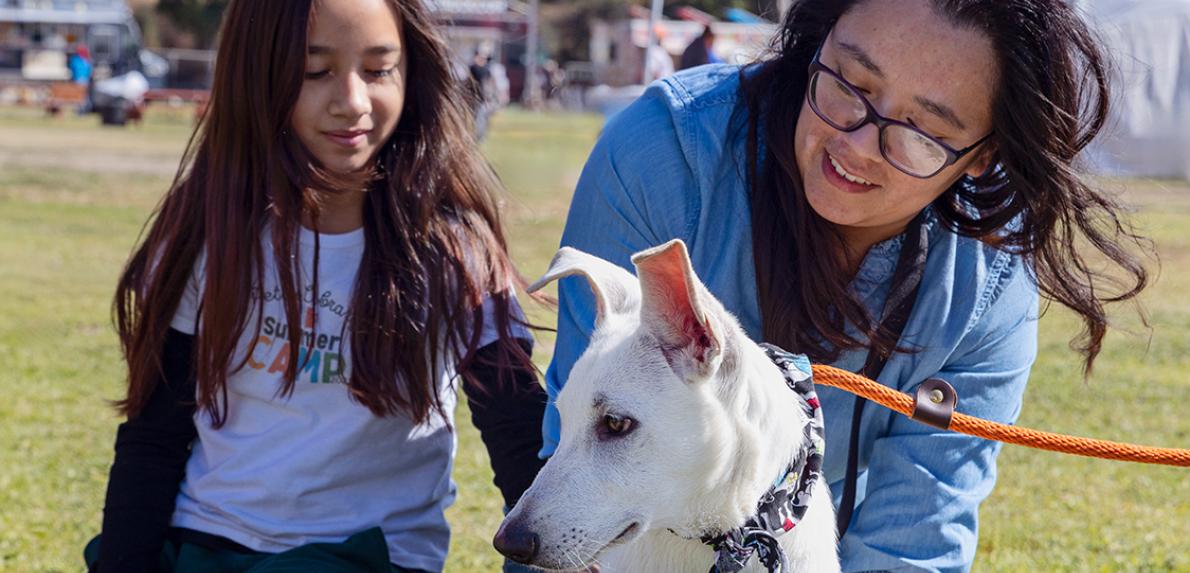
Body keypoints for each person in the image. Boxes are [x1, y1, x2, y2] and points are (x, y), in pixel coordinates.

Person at [542, 0, 1149, 572]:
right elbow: (580, 485)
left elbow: (913, 542)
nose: (857, 147)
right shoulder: (662, 154)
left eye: (921, 131)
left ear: (983, 155)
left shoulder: (988, 287)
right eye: (850, 83)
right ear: (817, 42)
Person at [89, 0, 546, 572]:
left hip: (363, 555)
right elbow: (154, 436)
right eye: (315, 71)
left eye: (379, 70)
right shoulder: (212, 230)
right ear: (256, 77)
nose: (352, 101)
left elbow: (517, 428)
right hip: (205, 539)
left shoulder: (453, 252)